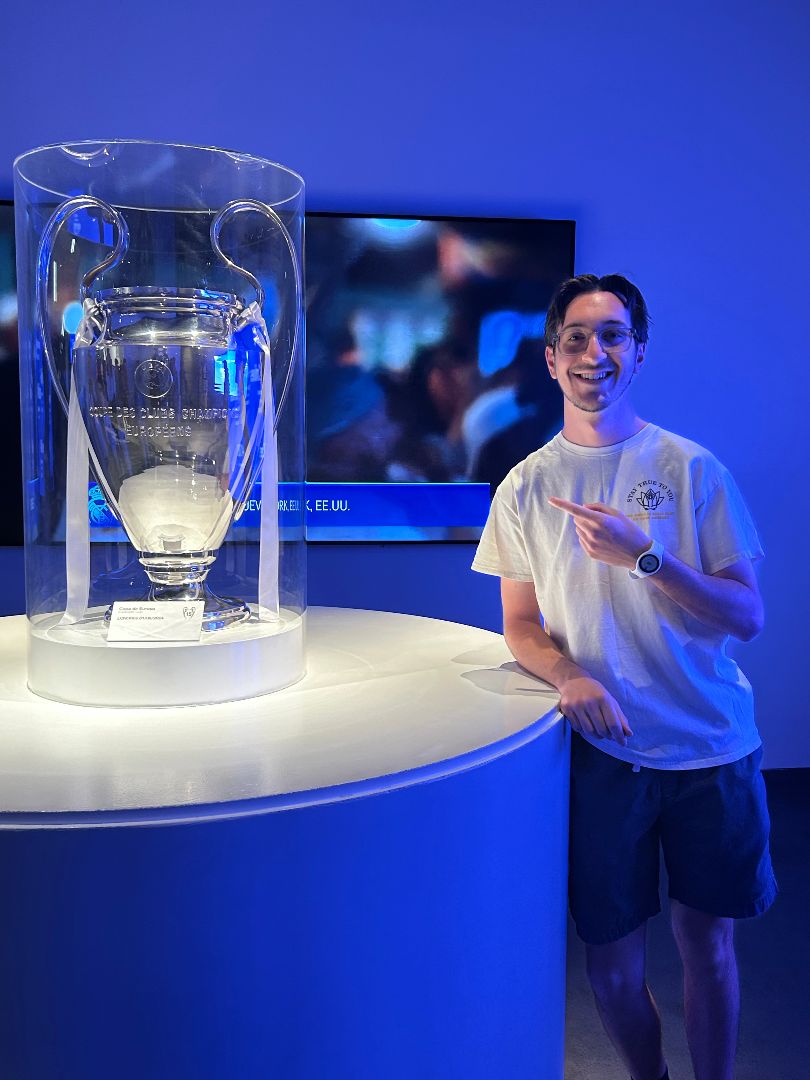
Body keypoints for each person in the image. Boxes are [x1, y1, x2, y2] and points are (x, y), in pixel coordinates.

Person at [471, 273, 776, 1080]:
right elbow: (521, 626)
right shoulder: (527, 486)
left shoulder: (689, 468)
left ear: (637, 354)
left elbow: (746, 615)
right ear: (549, 358)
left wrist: (647, 556)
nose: (593, 353)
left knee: (708, 946)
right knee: (608, 964)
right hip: (604, 758)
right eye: (576, 337)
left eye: (611, 336)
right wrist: (569, 676)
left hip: (710, 749)